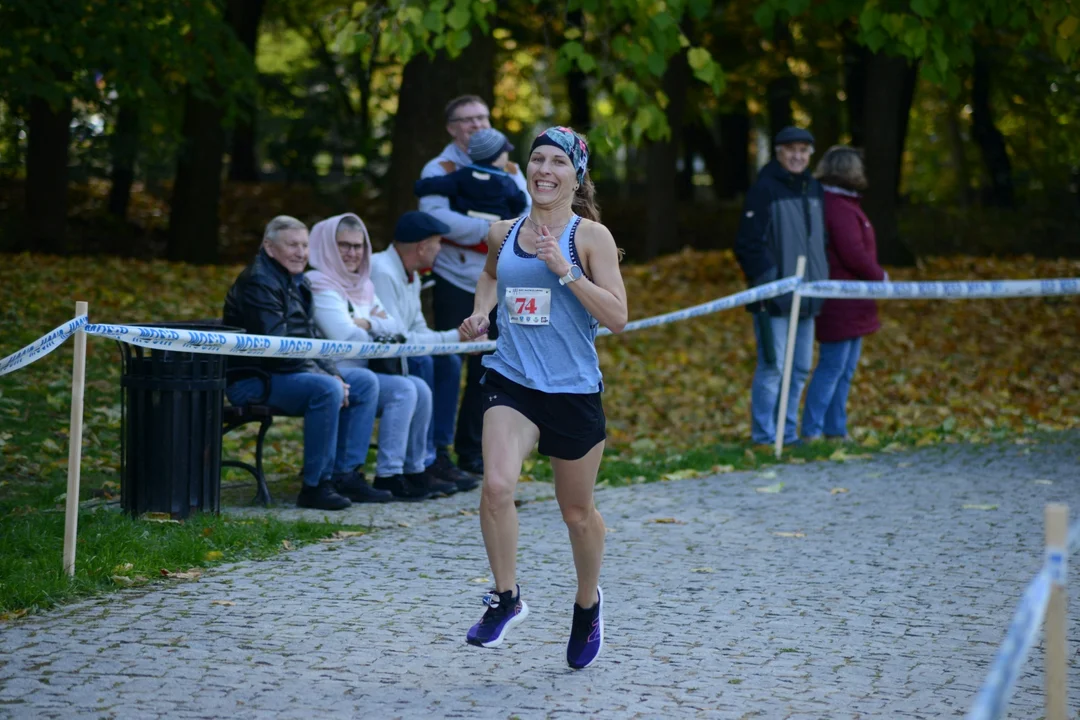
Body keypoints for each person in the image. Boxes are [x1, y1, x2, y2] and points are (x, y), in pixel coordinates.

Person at [457, 126, 627, 670]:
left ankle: (587, 603)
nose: (545, 170)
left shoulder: (590, 237)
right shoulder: (502, 232)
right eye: (537, 160)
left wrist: (566, 271)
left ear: (576, 177)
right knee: (496, 487)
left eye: (558, 162)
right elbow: (490, 275)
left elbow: (618, 318)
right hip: (512, 381)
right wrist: (483, 311)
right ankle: (506, 598)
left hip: (573, 391)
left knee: (576, 514)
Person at [223, 215, 388, 511]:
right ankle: (315, 486)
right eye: (292, 245)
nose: (300, 252)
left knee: (363, 382)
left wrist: (334, 372)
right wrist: (327, 378)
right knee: (326, 389)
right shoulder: (260, 281)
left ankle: (345, 475)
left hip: (285, 374)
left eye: (304, 245)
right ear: (269, 247)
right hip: (253, 379)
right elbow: (276, 347)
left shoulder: (295, 280)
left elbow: (311, 338)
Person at [306, 213, 458, 502]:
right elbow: (346, 338)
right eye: (344, 246)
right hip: (330, 371)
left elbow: (395, 329)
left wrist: (366, 322)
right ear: (327, 246)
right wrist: (371, 323)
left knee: (415, 388)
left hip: (361, 369)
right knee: (385, 383)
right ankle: (351, 472)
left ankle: (401, 473)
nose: (353, 253)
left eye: (358, 246)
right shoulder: (319, 283)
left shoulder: (361, 284)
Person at [419, 95, 531, 477]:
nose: (477, 125)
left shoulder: (511, 166)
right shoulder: (442, 167)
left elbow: (529, 213)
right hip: (456, 279)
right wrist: (496, 229)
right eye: (468, 120)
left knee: (493, 369)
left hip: (503, 283)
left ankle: (475, 453)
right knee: (453, 364)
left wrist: (496, 232)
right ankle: (436, 453)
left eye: (482, 118)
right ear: (452, 128)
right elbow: (436, 218)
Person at [369, 211, 482, 493]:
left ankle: (438, 452)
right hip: (377, 360)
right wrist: (454, 337)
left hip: (403, 355)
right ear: (422, 247)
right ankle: (423, 458)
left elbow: (419, 331)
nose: (440, 250)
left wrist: (457, 339)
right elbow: (397, 335)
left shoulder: (413, 276)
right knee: (425, 361)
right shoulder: (381, 270)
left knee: (449, 362)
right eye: (437, 244)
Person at [734, 126, 829, 447]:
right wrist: (770, 285)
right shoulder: (764, 189)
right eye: (791, 150)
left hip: (810, 294)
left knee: (801, 367)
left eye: (804, 150)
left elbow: (820, 241)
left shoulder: (814, 188)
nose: (798, 156)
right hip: (774, 297)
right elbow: (748, 245)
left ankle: (787, 435)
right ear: (779, 152)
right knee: (773, 368)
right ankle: (764, 437)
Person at [801, 147, 886, 442]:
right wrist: (881, 277)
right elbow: (854, 254)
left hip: (853, 301)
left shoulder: (842, 203)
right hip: (840, 301)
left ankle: (835, 429)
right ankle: (812, 431)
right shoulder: (837, 206)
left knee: (844, 369)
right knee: (832, 367)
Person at [414, 127, 528, 223]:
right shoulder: (506, 181)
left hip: (466, 231)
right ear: (497, 156)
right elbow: (520, 203)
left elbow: (435, 185)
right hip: (497, 230)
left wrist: (420, 185)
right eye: (505, 151)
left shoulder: (461, 176)